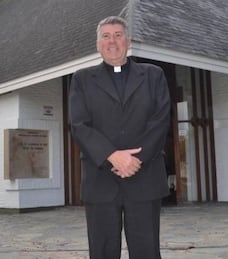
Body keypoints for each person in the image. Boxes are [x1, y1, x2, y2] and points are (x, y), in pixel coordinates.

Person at [69, 16, 171, 259]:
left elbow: (161, 121)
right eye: (106, 36)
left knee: (147, 251)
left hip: (144, 178)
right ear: (97, 44)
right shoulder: (82, 79)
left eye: (117, 35)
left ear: (128, 41)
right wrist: (112, 156)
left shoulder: (154, 75)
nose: (112, 41)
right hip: (100, 179)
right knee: (102, 251)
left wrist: (137, 159)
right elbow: (79, 124)